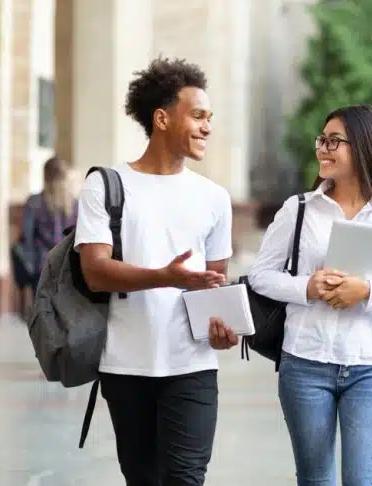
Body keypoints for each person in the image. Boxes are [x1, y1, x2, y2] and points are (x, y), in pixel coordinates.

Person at [248, 104, 372, 486]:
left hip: (369, 367)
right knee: (315, 480)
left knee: (363, 481)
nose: (323, 148)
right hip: (304, 364)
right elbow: (260, 277)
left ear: (366, 147)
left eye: (335, 141)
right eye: (322, 140)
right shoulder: (299, 209)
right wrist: (307, 287)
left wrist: (368, 291)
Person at [74, 57, 239, 486]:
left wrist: (223, 328)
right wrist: (166, 276)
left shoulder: (214, 198)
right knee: (143, 480)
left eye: (210, 118)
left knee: (186, 480)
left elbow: (213, 284)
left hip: (193, 366)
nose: (207, 126)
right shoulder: (105, 185)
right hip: (126, 366)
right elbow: (95, 271)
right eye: (198, 115)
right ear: (162, 118)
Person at [21, 156, 79, 297]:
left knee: (43, 312)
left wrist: (29, 264)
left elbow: (27, 237)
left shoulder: (34, 202)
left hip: (42, 267)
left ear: (45, 176)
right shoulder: (76, 205)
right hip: (69, 267)